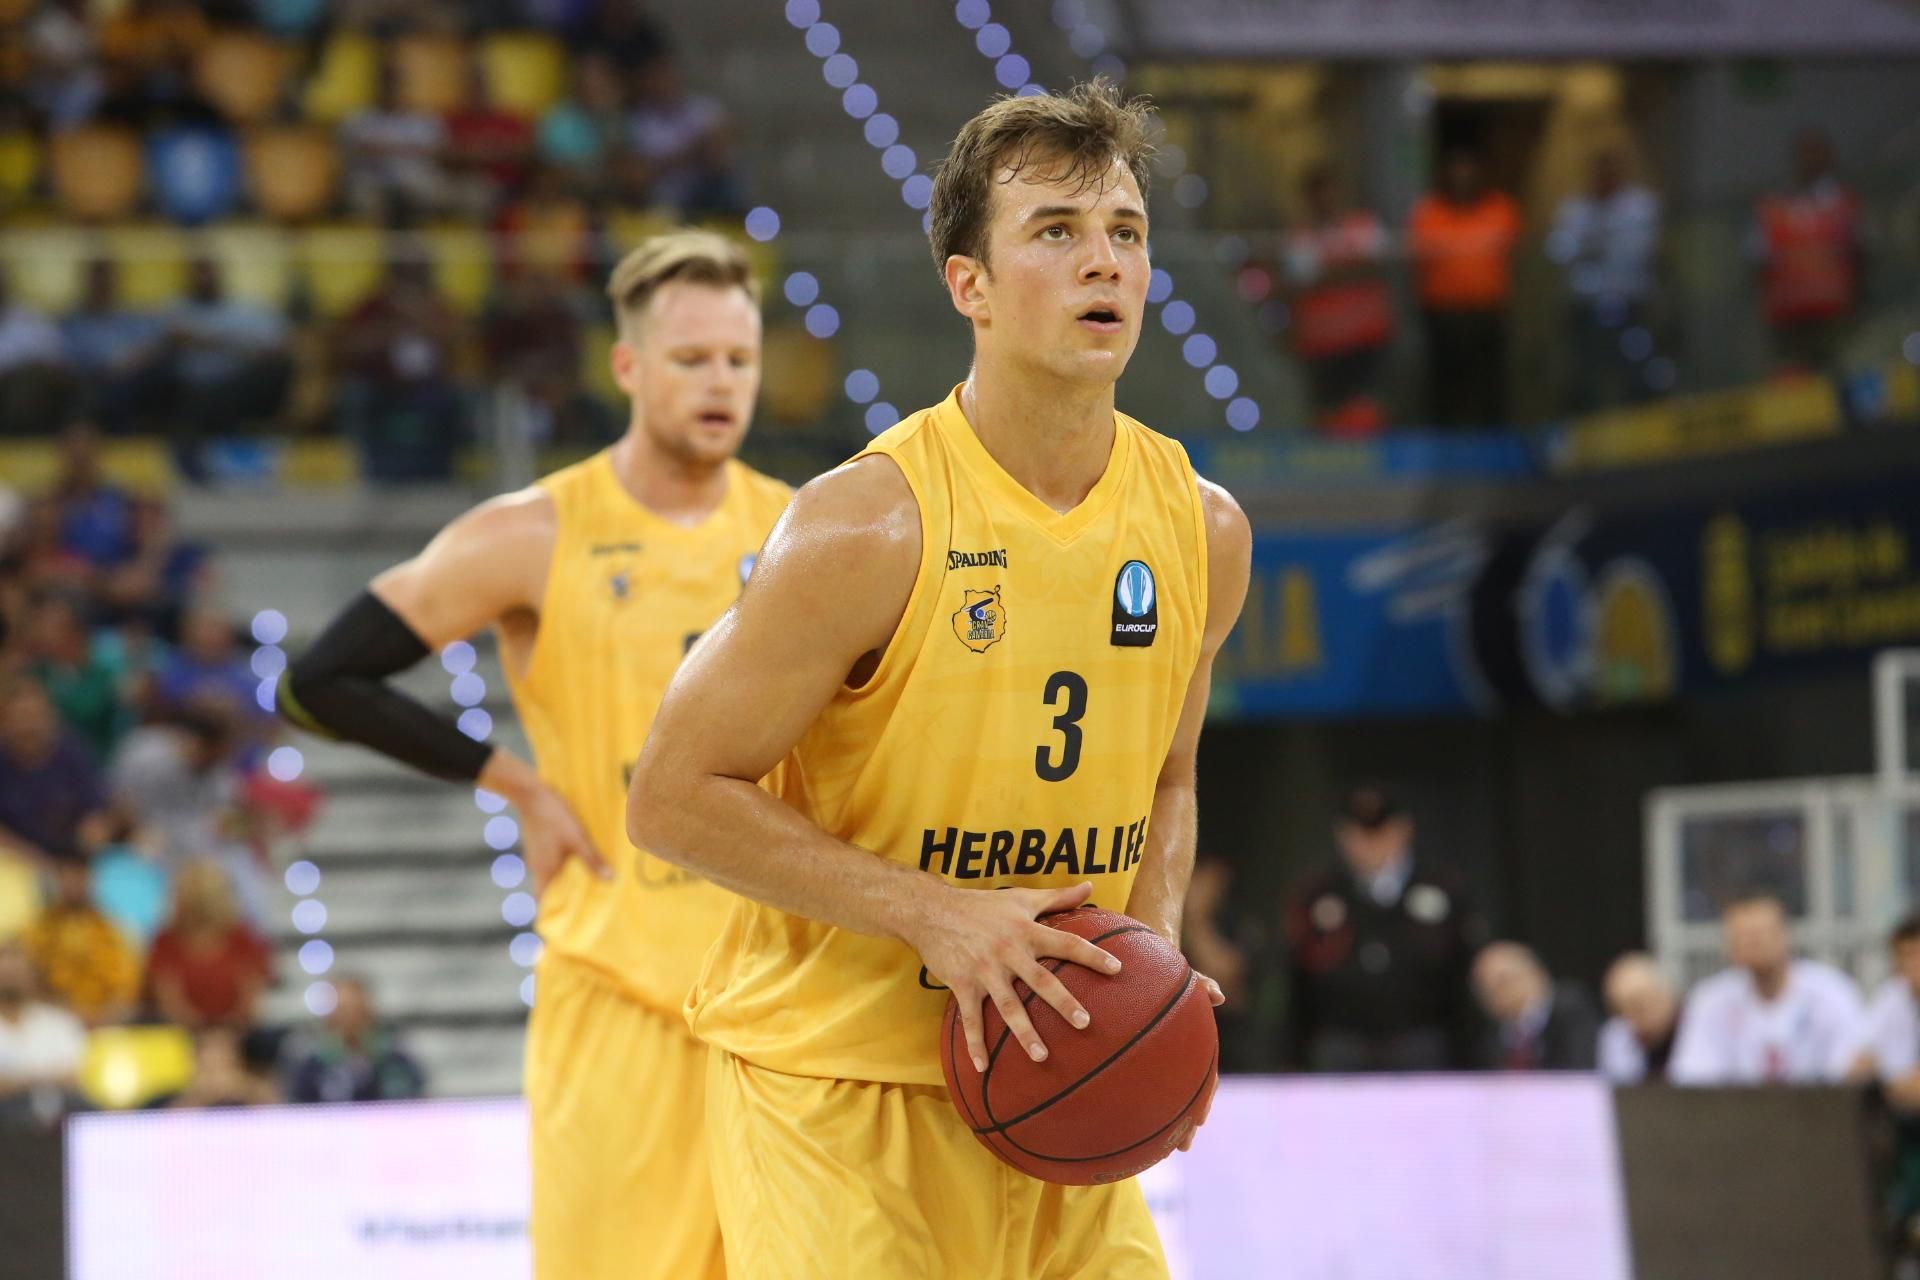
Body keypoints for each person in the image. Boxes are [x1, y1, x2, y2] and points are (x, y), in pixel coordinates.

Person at [627, 80, 1251, 1278]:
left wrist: (1150, 960)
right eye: (1056, 233)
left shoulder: (1203, 529)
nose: (1103, 263)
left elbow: (1171, 780)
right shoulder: (865, 526)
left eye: (1125, 231)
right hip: (839, 1089)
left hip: (1058, 1070)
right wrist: (939, 914)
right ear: (968, 285)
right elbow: (671, 793)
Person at [279, 229, 791, 1280]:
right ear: (628, 367)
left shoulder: (803, 534)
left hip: (774, 1000)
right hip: (616, 986)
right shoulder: (535, 531)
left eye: (739, 360)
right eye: (691, 358)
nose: (720, 382)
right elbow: (320, 680)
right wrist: (512, 782)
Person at [1280, 785, 1485, 1072]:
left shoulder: (1443, 888)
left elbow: (1464, 975)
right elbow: (1296, 980)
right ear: (1342, 835)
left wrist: (1471, 1056)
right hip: (1340, 1047)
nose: (1370, 843)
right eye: (1359, 834)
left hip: (1422, 1046)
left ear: (1402, 830)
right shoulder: (1316, 894)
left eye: (1379, 832)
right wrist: (1291, 1058)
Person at [1670, 891, 1869, 1085]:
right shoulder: (1710, 999)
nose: (1751, 943)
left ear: (1786, 935)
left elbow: (1847, 1074)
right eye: (1740, 936)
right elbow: (1694, 1078)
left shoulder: (1832, 992)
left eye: (1759, 935)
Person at [1408, 149, 1521, 427]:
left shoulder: (1500, 208)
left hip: (1488, 311)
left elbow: (1516, 252)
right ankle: (1446, 440)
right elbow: (1418, 260)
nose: (1462, 178)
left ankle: (1494, 437)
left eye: (1468, 170)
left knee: (1491, 381)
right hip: (1445, 314)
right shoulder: (1430, 212)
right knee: (1447, 381)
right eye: (1456, 171)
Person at [1284, 165, 1394, 435]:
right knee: (1328, 412)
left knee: (1365, 407)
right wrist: (1349, 268)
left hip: (1366, 338)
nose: (1326, 201)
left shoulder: (1363, 225)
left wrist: (1329, 272)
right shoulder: (1301, 237)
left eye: (1330, 193)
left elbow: (1378, 265)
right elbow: (1302, 281)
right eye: (1319, 195)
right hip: (1322, 343)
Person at [1548, 149, 1661, 412]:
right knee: (1587, 374)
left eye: (1610, 173)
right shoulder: (1575, 210)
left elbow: (1643, 249)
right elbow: (1559, 252)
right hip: (1587, 306)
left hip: (1632, 302)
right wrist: (1591, 245)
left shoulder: (1639, 205)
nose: (1605, 179)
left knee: (1636, 369)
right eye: (1600, 174)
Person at [1752, 129, 1862, 378]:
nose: (1811, 160)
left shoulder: (1845, 202)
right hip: (1789, 315)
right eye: (1805, 153)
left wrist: (1857, 299)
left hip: (1837, 313)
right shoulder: (1775, 205)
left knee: (1842, 375)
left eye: (1817, 153)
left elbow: (1858, 254)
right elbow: (1760, 260)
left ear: (1830, 158)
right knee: (1794, 380)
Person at [145, 859, 272, 1030]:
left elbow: (251, 994)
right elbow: (168, 998)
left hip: (238, 1034)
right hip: (183, 1034)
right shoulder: (165, 942)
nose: (199, 905)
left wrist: (227, 1031)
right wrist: (201, 1031)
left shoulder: (241, 937)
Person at [20, 851, 141, 1027]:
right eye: (68, 876)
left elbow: (127, 991)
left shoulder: (114, 930)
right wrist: (65, 1016)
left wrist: (101, 1018)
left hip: (105, 1025)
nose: (74, 884)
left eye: (80, 876)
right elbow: (29, 986)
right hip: (51, 1023)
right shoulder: (36, 930)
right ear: (56, 880)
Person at [284, 975, 426, 1103]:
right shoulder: (312, 1066)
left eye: (354, 1009)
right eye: (341, 1011)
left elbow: (409, 1102)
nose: (348, 1019)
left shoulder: (395, 1060)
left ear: (367, 1010)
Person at [1472, 940, 1599, 1071]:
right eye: (1482, 985)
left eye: (1501, 981)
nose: (1491, 991)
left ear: (1534, 975)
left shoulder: (1570, 1010)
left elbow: (1581, 1070)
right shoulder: (1494, 1033)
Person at [0, 939, 86, 1130]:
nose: (11, 979)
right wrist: (44, 1077)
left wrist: (17, 1080)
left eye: (17, 972)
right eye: (5, 973)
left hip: (59, 1123)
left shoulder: (59, 1023)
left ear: (32, 975)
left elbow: (76, 1077)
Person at [1597, 951, 1681, 1084]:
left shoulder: (1694, 1025)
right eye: (1621, 1010)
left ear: (1666, 994)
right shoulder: (1618, 1035)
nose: (1632, 1018)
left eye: (1639, 1005)